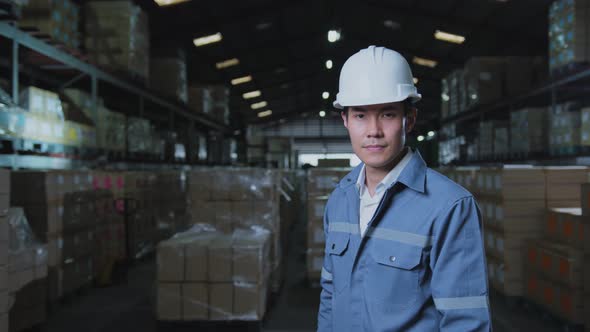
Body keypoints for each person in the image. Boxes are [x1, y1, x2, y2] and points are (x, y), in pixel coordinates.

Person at [317, 46, 492, 331]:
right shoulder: (339, 199)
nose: (373, 130)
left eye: (387, 114)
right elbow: (329, 294)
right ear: (345, 120)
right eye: (360, 116)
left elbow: (466, 320)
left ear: (408, 120)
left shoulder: (449, 207)